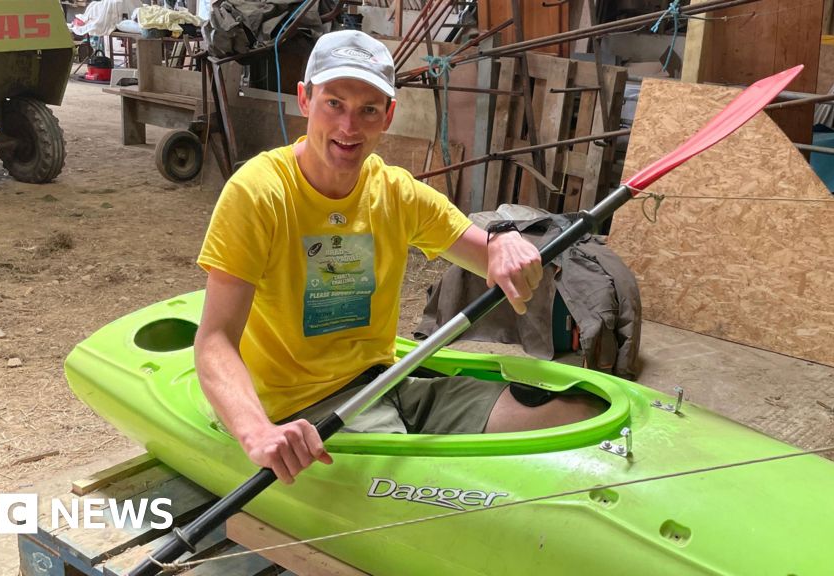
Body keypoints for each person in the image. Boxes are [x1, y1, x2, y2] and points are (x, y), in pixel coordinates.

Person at [194, 30, 604, 485]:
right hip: (304, 412)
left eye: (368, 109)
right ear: (305, 99)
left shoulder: (396, 191)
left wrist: (504, 239)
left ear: (388, 115)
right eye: (335, 103)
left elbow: (485, 252)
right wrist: (256, 433)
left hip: (388, 383)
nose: (349, 128)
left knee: (575, 414)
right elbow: (214, 341)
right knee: (445, 486)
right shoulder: (258, 192)